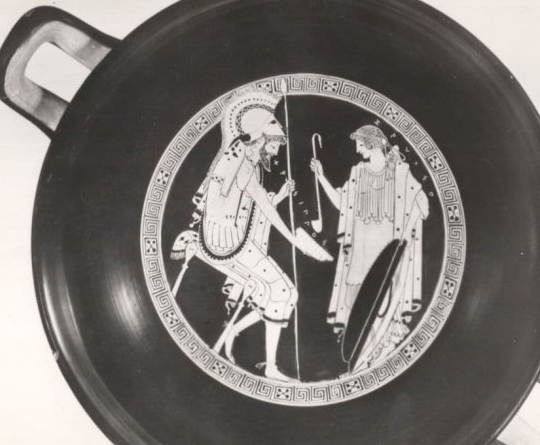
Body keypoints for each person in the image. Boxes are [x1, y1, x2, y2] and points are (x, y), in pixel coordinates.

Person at [171, 87, 330, 381]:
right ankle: (270, 367)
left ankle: (235, 332)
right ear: (261, 136)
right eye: (276, 143)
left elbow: (245, 204)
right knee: (285, 292)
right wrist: (295, 241)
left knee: (267, 291)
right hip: (227, 244)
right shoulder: (241, 160)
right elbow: (260, 207)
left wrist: (279, 197)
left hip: (227, 240)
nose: (278, 150)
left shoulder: (241, 158)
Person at [310, 124, 429, 372]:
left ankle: (378, 355)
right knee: (356, 299)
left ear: (373, 144)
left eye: (360, 144)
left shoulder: (400, 172)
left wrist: (406, 234)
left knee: (383, 297)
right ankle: (359, 358)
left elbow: (423, 204)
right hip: (360, 248)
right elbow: (342, 203)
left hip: (386, 247)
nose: (358, 150)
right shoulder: (358, 172)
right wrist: (321, 177)